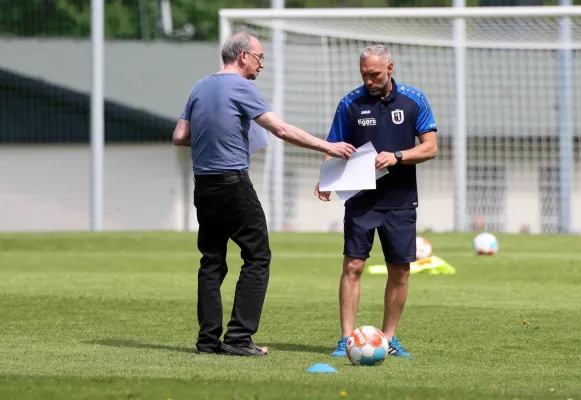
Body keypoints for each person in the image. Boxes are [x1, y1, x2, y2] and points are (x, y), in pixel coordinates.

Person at [172, 31, 356, 357]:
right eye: (260, 57)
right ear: (243, 55)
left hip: (204, 186)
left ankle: (207, 342)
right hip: (232, 184)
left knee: (212, 261)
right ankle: (239, 338)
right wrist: (328, 146)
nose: (261, 65)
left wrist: (215, 136)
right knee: (257, 256)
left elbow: (180, 135)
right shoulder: (243, 87)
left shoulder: (199, 87)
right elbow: (281, 129)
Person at [314, 44, 438, 358]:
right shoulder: (350, 104)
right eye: (364, 74)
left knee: (400, 269)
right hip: (361, 200)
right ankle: (345, 339)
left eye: (375, 74)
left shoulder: (415, 100)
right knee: (353, 266)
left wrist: (397, 156)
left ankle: (389, 338)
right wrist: (325, 178)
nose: (369, 80)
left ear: (390, 69)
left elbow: (430, 148)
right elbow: (334, 145)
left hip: (400, 200)